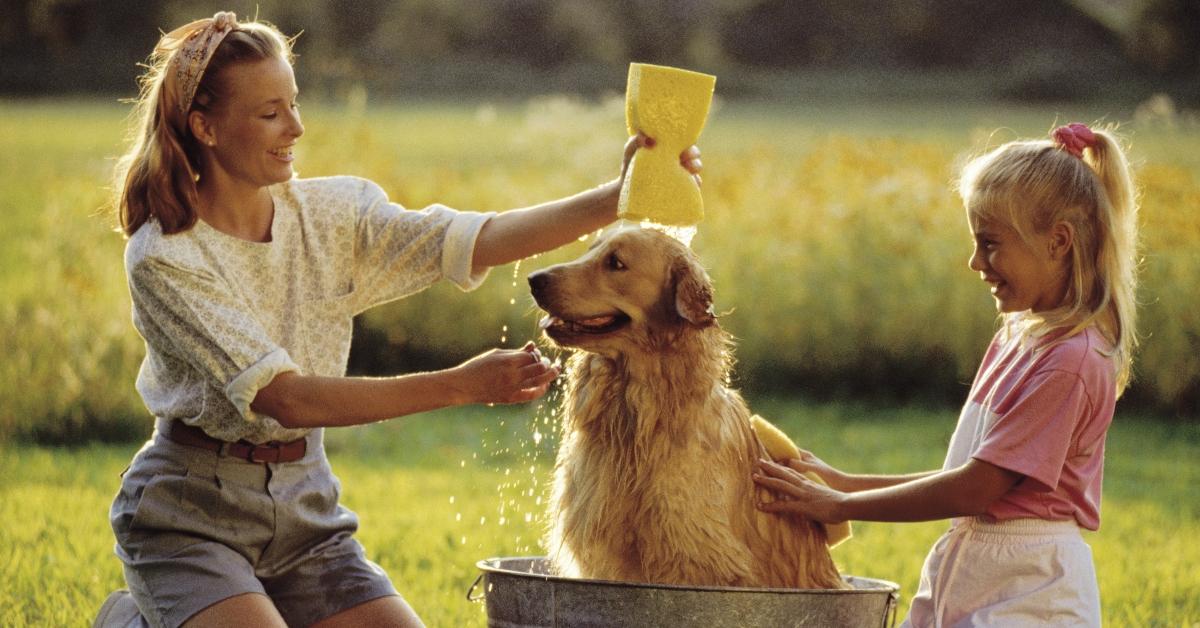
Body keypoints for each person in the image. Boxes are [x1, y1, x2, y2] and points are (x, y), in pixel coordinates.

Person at [100, 11, 701, 628]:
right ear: (205, 126)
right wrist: (463, 386)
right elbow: (286, 399)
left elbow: (477, 239)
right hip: (190, 515)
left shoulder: (332, 213)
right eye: (269, 113)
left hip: (305, 505)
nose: (296, 127)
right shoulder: (166, 255)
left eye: (294, 104)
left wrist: (620, 195)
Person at [752, 122, 1139, 627]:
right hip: (976, 568)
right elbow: (969, 475)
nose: (976, 261)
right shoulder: (1018, 337)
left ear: (1057, 242)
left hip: (1030, 589)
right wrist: (846, 483)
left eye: (992, 243)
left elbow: (977, 487)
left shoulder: (1072, 361)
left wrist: (842, 502)